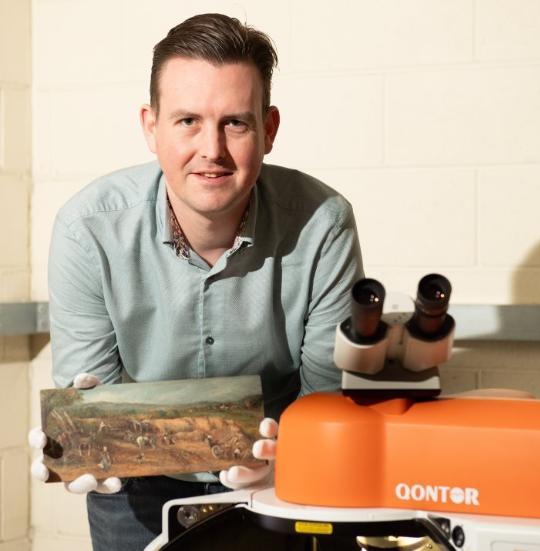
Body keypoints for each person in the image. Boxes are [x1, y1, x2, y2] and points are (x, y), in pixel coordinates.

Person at [29, 13, 363, 550]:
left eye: (235, 122)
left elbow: (324, 399)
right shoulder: (86, 229)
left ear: (269, 129)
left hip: (280, 474)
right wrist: (82, 441)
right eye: (187, 121)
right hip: (133, 484)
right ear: (150, 126)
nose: (212, 149)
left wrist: (279, 467)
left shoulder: (324, 222)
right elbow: (92, 395)